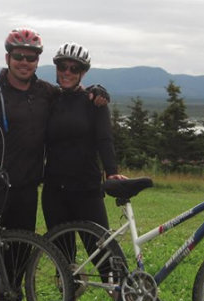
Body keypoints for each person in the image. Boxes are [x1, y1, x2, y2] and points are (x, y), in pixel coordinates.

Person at [0, 29, 108, 301]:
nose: (24, 62)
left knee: (18, 252)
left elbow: (74, 94)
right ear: (8, 58)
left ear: (38, 62)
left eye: (31, 57)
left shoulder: (45, 93)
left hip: (26, 188)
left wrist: (97, 92)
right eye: (19, 56)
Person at [42, 41, 126, 238]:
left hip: (86, 189)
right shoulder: (49, 99)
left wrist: (112, 172)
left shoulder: (93, 101)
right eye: (63, 67)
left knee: (104, 252)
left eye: (74, 68)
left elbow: (105, 139)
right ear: (56, 68)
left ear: (83, 73)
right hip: (54, 190)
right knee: (61, 257)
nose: (67, 72)